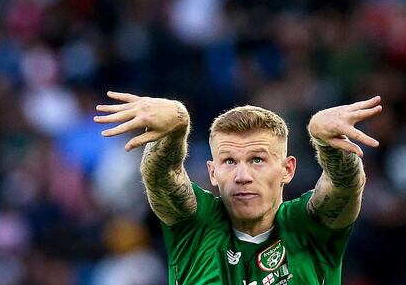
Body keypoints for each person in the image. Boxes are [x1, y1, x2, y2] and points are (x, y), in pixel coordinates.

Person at [94, 91, 382, 285]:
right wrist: (173, 129)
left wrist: (330, 145)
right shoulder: (196, 226)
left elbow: (343, 187)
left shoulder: (308, 228)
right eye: (229, 161)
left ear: (287, 169)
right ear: (213, 172)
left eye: (257, 160)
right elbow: (162, 176)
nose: (242, 175)